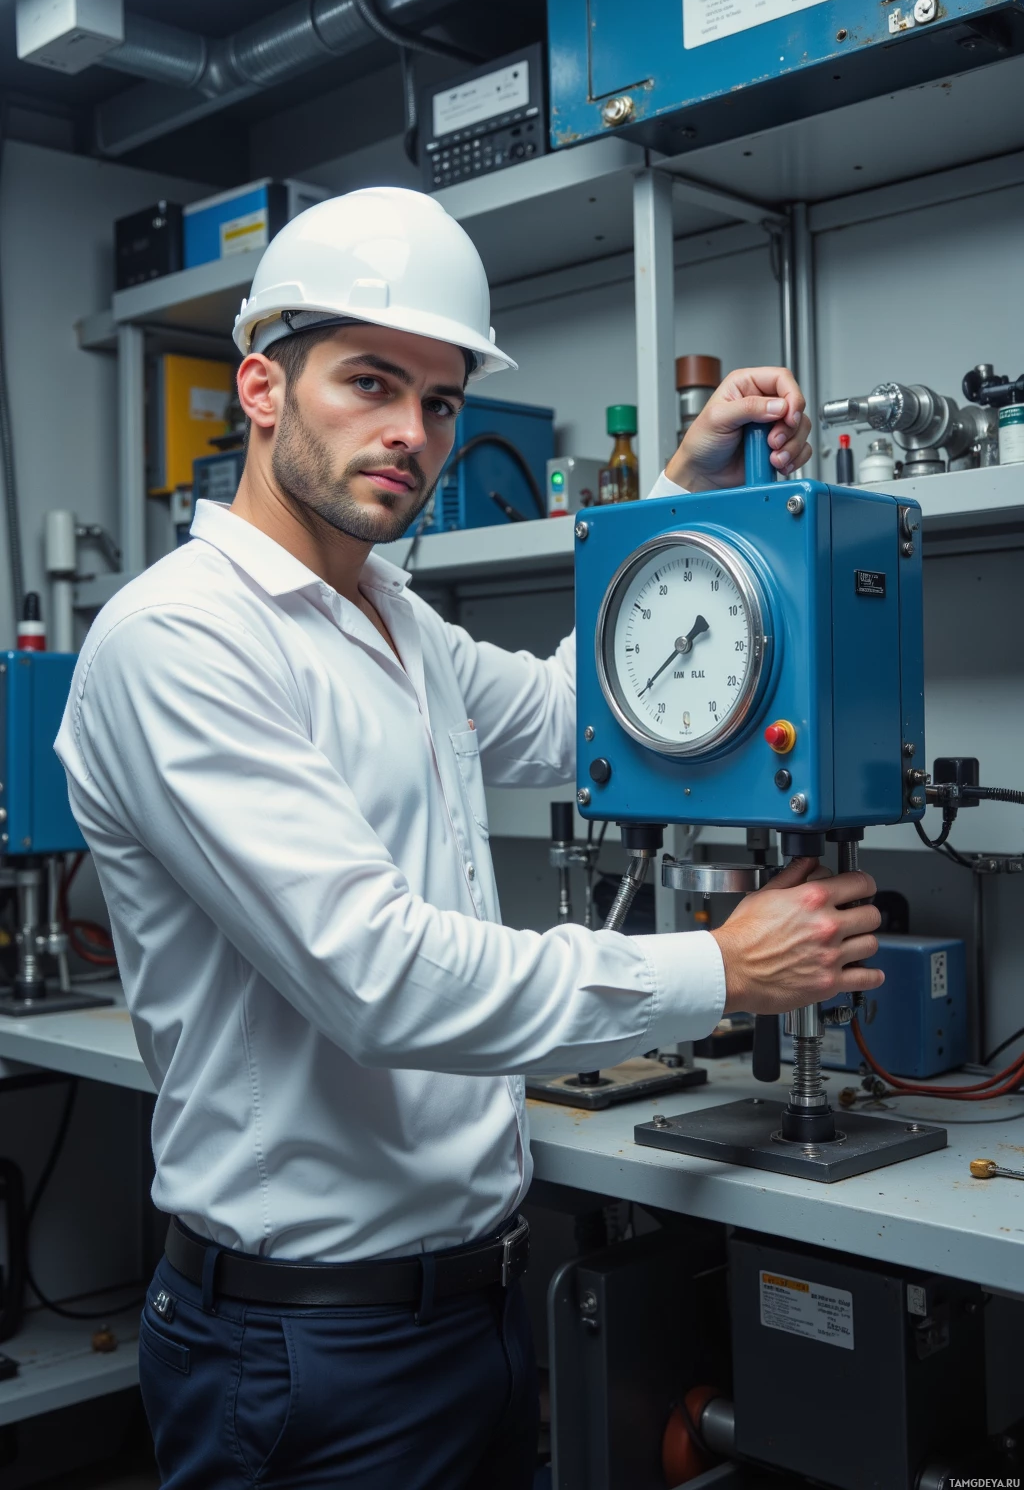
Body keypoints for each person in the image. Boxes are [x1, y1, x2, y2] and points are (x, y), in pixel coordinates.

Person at [56, 187, 882, 1490]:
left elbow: (581, 712)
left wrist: (683, 496)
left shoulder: (390, 618)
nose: (410, 433)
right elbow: (378, 979)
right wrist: (720, 971)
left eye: (439, 402)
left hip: (475, 1309)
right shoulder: (183, 637)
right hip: (302, 1346)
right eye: (370, 383)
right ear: (262, 388)